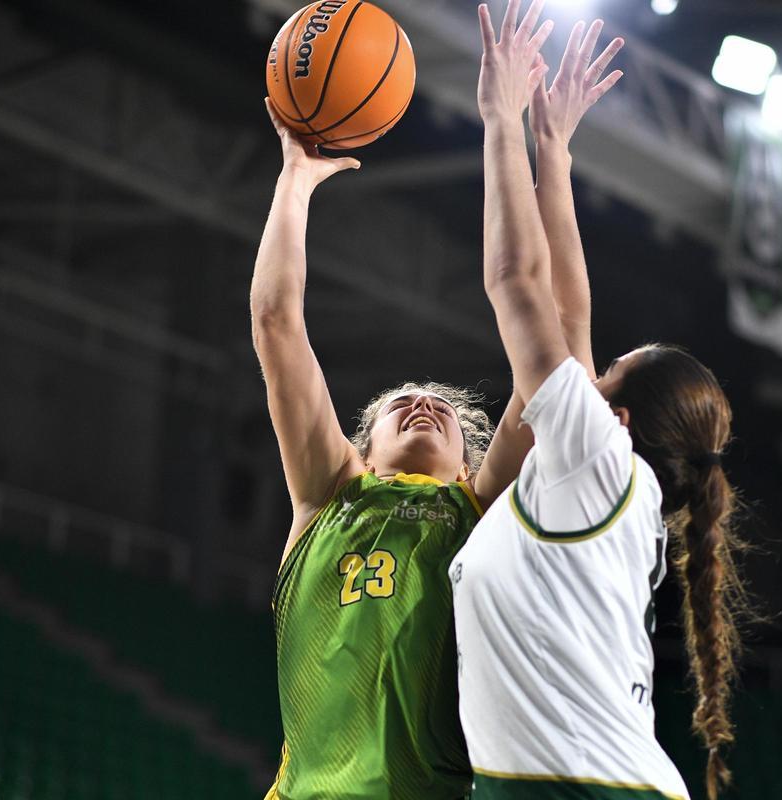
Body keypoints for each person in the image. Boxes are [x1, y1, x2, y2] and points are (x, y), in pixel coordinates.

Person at [251, 51, 579, 792]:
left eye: (441, 409)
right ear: (361, 452)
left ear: (470, 463)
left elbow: (552, 345)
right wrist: (294, 181)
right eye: (401, 402)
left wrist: (545, 155)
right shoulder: (327, 495)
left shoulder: (482, 507)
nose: (423, 402)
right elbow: (275, 323)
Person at [452, 3, 750, 799]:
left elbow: (519, 282)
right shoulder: (606, 485)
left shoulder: (600, 465)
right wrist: (555, 149)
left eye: (609, 367)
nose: (588, 362)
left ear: (616, 418)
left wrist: (500, 118)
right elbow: (569, 316)